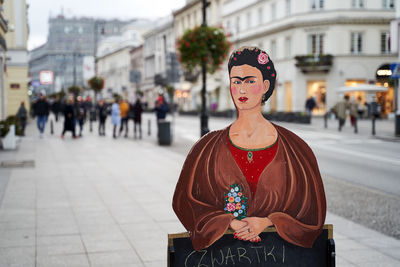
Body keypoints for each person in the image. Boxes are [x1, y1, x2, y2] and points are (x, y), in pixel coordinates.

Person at [173, 46, 326, 251]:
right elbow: (185, 201)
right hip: (223, 257)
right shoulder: (206, 149)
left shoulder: (296, 149)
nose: (242, 89)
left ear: (265, 85)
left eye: (250, 81)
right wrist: (227, 222)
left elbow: (312, 212)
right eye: (236, 82)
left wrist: (270, 221)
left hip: (280, 258)